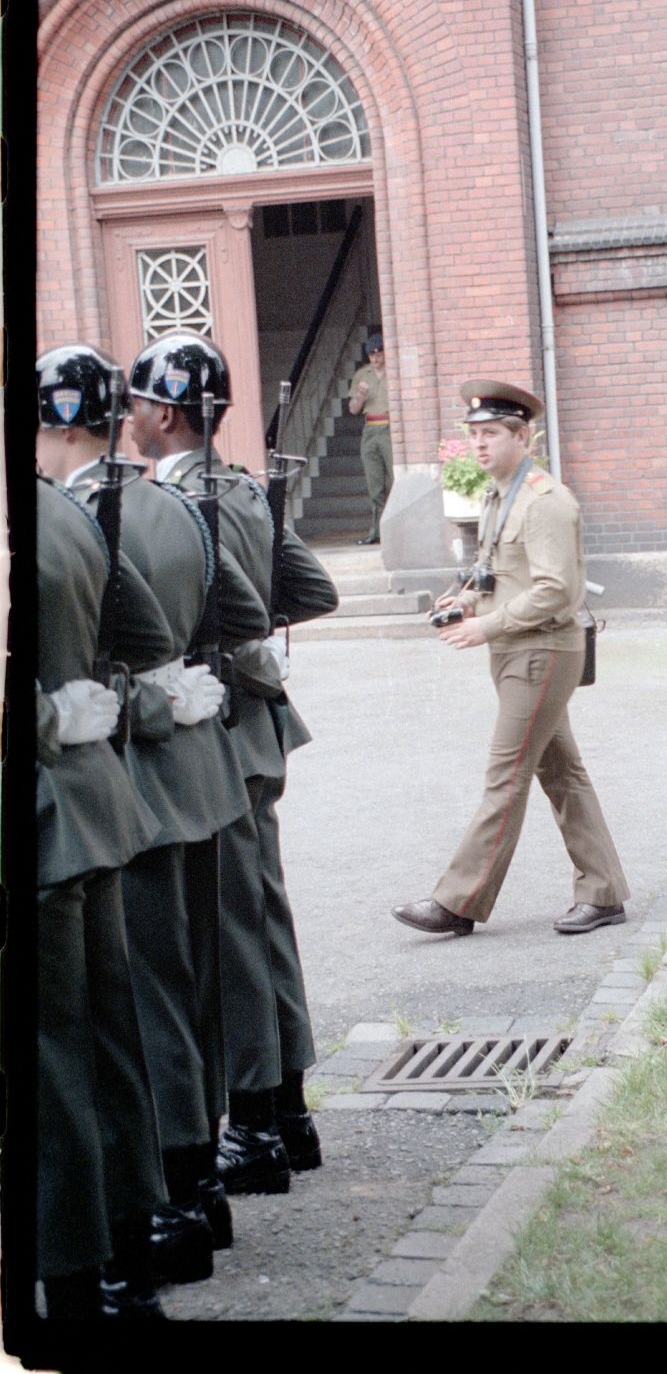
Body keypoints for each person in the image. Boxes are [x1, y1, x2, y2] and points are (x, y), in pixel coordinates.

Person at [36, 343, 266, 1287]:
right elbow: (182, 634)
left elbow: (135, 657)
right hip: (142, 790)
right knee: (151, 1007)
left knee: (113, 1024)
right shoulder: (122, 510)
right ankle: (154, 1222)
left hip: (98, 795)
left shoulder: (90, 509)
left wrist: (93, 706)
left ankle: (124, 1238)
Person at [126, 332, 339, 1196]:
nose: (130, 419)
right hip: (259, 731)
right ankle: (287, 1111)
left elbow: (229, 613)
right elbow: (312, 591)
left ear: (166, 411)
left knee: (229, 943)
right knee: (260, 924)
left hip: (210, 736)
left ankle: (253, 1125)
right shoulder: (245, 491)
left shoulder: (171, 507)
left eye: (138, 402)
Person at [392, 380, 630, 938]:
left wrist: (485, 625)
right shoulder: (501, 493)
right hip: (518, 650)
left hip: (541, 650)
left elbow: (556, 590)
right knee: (561, 771)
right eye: (473, 434)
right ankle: (604, 893)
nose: (480, 444)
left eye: (492, 433)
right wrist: (466, 598)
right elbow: (499, 567)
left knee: (506, 776)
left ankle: (457, 901)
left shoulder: (545, 501)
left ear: (523, 436)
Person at [35, 467, 174, 1319]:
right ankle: (132, 1256)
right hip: (90, 804)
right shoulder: (67, 506)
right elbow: (147, 637)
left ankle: (78, 1282)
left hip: (40, 808)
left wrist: (51, 718)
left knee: (52, 1063)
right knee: (108, 1037)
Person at [347, 332, 392, 545]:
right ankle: (377, 531)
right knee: (374, 484)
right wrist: (361, 395)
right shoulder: (362, 375)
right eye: (371, 353)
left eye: (378, 352)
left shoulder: (394, 371)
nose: (375, 357)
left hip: (390, 427)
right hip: (371, 428)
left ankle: (395, 530)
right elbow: (353, 409)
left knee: (393, 480)